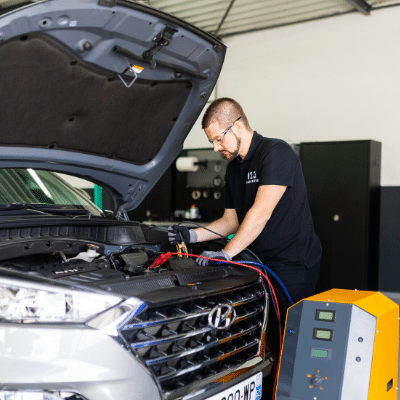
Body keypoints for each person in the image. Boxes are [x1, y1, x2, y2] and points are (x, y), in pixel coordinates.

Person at [168, 97, 322, 329]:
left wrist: (227, 253)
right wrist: (192, 236)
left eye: (219, 139)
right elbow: (231, 221)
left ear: (237, 126)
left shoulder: (276, 153)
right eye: (212, 142)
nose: (216, 148)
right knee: (257, 329)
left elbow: (260, 214)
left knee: (286, 334)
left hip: (292, 265)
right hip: (257, 262)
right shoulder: (234, 169)